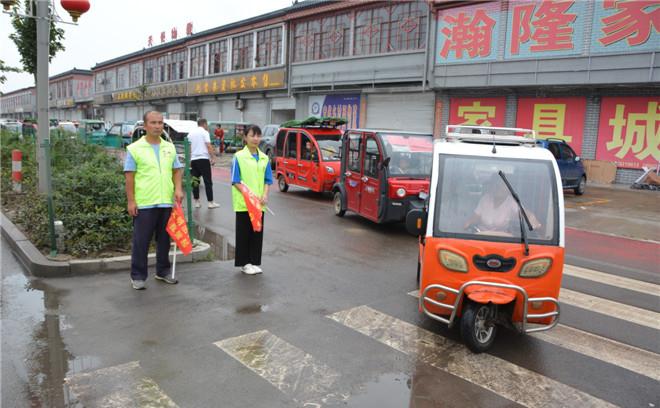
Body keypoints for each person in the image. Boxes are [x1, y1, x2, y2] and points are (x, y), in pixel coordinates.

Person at [124, 111, 184, 290]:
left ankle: (163, 271)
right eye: (153, 123)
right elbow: (129, 177)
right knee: (141, 241)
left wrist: (178, 189)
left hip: (166, 201)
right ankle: (138, 276)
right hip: (145, 202)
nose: (157, 126)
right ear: (145, 126)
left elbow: (176, 170)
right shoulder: (135, 149)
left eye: (160, 123)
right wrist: (131, 201)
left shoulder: (169, 147)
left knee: (165, 240)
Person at [231, 125, 273, 275]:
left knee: (257, 232)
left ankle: (254, 262)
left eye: (258, 135)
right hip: (244, 204)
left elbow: (268, 180)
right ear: (245, 138)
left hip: (259, 204)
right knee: (244, 233)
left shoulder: (264, 158)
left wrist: (265, 195)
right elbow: (235, 180)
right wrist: (249, 195)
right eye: (252, 135)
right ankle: (244, 263)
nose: (256, 139)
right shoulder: (238, 157)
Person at [464, 174, 541, 235]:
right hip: (483, 237)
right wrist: (467, 224)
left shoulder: (512, 202)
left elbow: (524, 213)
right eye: (496, 184)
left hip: (502, 240)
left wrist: (531, 217)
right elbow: (475, 217)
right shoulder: (486, 198)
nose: (498, 187)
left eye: (502, 185)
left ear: (508, 188)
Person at [188, 118, 219, 209]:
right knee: (207, 181)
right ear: (204, 124)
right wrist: (213, 157)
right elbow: (208, 145)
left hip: (194, 159)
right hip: (203, 159)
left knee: (195, 181)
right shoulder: (204, 132)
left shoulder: (191, 133)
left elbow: (189, 147)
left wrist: (190, 159)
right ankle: (210, 202)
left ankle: (197, 202)